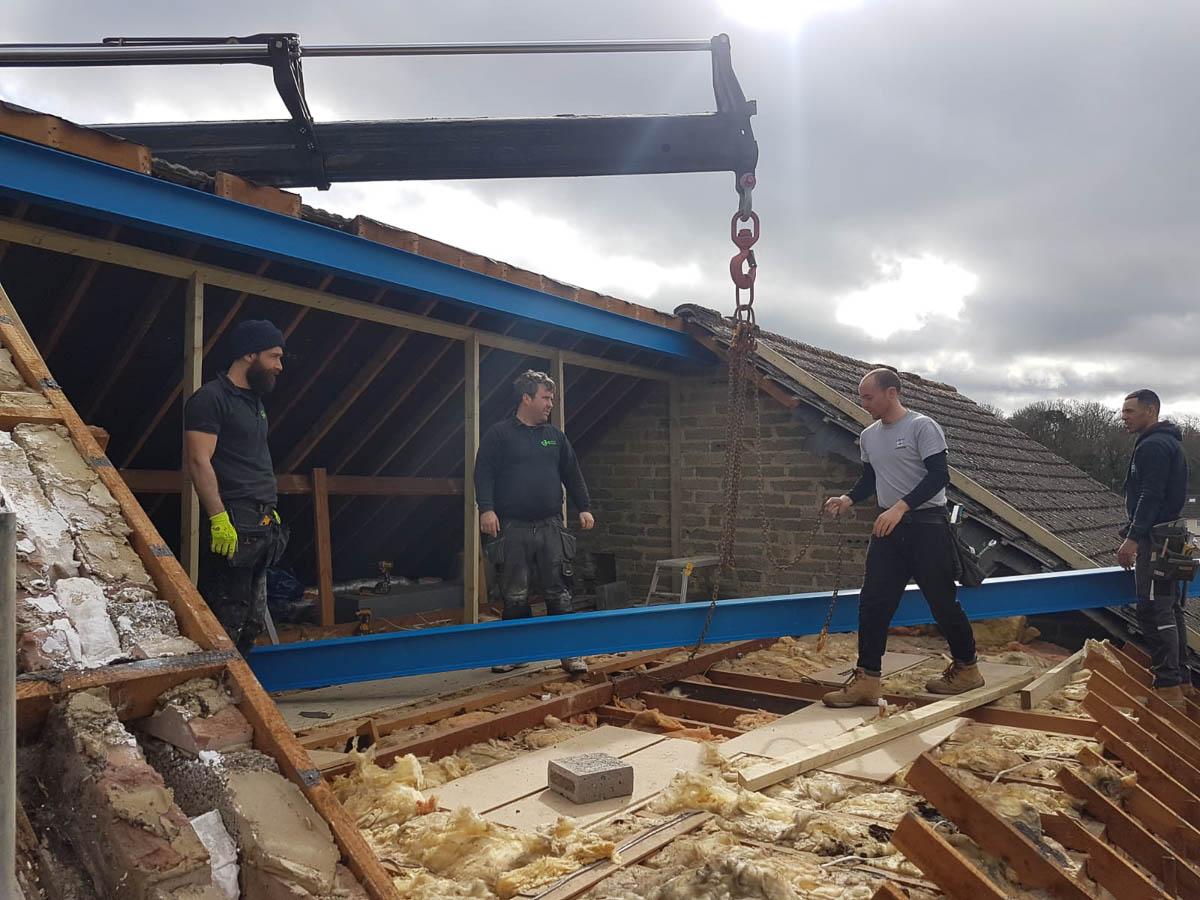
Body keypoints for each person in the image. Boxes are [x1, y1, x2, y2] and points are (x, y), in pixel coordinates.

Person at [821, 368, 982, 707]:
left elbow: (939, 476)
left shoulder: (922, 427)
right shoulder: (868, 436)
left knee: (941, 602)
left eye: (869, 397)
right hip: (889, 528)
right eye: (862, 397)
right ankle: (867, 678)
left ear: (891, 393)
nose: (863, 403)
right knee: (873, 602)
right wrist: (848, 499)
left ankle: (968, 669)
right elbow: (870, 478)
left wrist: (900, 508)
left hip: (927, 526)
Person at [474, 370, 595, 673]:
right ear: (526, 398)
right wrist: (486, 509)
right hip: (512, 527)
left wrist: (584, 507)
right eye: (545, 398)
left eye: (551, 399)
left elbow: (572, 472)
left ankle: (569, 654)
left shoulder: (554, 437)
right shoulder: (498, 435)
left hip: (551, 525)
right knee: (514, 594)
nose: (550, 404)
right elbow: (483, 473)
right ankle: (516, 653)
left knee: (559, 592)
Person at [183, 320, 288, 657]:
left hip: (260, 523)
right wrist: (218, 518)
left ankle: (237, 697)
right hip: (233, 521)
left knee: (253, 621)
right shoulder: (211, 399)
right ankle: (216, 694)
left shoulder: (254, 402)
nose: (279, 366)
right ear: (248, 354)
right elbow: (199, 461)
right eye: (273, 356)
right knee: (226, 619)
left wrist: (267, 507)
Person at [1117, 389, 1191, 706]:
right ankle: (1182, 681)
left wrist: (1133, 538)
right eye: (1123, 411)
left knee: (1153, 609)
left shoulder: (1155, 446)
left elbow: (1151, 494)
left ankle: (1168, 686)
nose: (1124, 417)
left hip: (1157, 539)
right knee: (1171, 609)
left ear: (1151, 411)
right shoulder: (1168, 442)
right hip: (1175, 534)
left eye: (1130, 412)